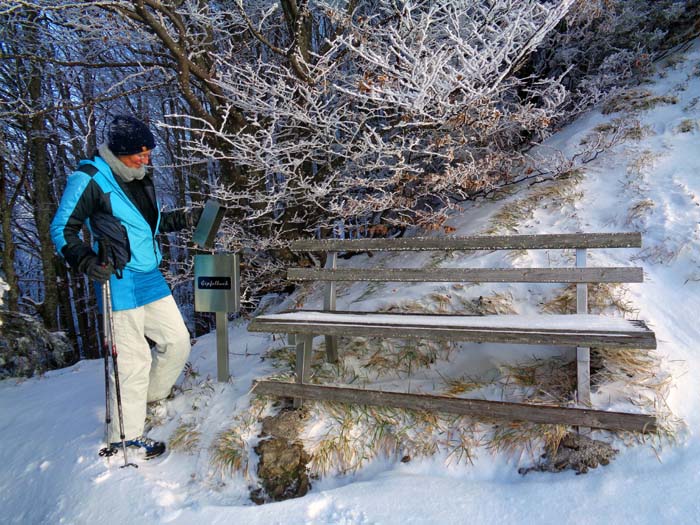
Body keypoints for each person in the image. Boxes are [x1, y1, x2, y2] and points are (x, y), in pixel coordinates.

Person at [50, 115, 199, 459]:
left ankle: (148, 399)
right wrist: (86, 260)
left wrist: (182, 219)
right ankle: (124, 437)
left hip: (150, 275)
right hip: (119, 280)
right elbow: (62, 229)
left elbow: (149, 224)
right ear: (118, 152)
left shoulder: (138, 177)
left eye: (148, 152)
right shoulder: (89, 179)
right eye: (140, 153)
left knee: (176, 342)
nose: (146, 159)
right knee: (133, 362)